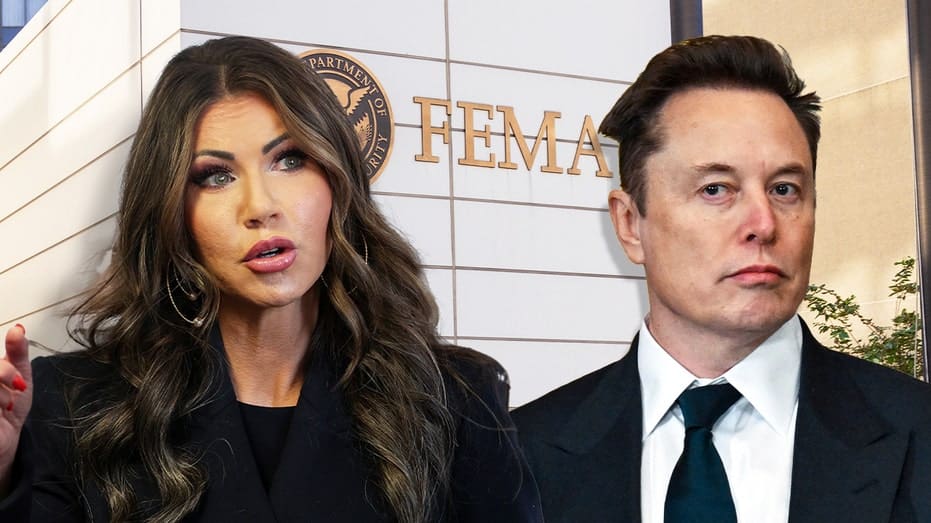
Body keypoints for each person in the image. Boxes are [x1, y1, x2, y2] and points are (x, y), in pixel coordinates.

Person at [0, 36, 542, 522]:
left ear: (337, 180)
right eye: (216, 176)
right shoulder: (71, 404)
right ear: (171, 211)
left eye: (289, 160)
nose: (260, 207)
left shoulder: (456, 398)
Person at [512, 35, 931, 523]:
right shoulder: (518, 458)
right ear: (630, 224)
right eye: (716, 189)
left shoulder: (918, 432)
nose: (763, 223)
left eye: (784, 189)